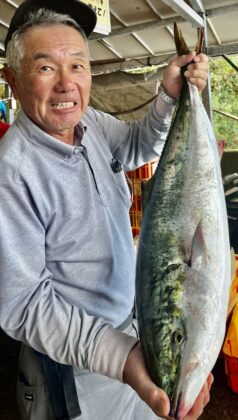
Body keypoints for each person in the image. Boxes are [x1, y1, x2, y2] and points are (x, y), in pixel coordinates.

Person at [0, 1, 212, 419]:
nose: (66, 84)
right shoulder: (12, 173)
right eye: (46, 68)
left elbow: (137, 144)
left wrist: (171, 97)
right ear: (12, 80)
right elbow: (23, 303)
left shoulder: (91, 124)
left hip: (134, 334)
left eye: (77, 65)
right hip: (73, 371)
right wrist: (121, 358)